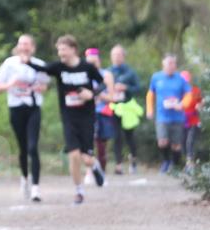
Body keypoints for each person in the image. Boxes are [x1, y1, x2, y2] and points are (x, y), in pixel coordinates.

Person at [23, 35, 105, 205]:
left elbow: (102, 83)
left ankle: (94, 165)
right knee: (74, 155)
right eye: (59, 50)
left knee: (86, 158)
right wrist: (26, 58)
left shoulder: (87, 67)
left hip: (87, 117)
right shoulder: (59, 68)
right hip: (68, 116)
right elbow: (41, 68)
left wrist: (92, 94)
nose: (61, 53)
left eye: (63, 49)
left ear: (73, 49)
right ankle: (79, 190)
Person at [0, 35, 49, 202]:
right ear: (18, 47)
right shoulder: (10, 63)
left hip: (33, 108)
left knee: (33, 147)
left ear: (32, 47)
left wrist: (39, 88)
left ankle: (36, 188)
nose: (23, 47)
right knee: (23, 148)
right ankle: (25, 178)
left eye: (27, 44)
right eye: (21, 44)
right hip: (16, 108)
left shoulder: (39, 64)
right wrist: (11, 84)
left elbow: (45, 85)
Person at [146, 53, 192, 173]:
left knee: (176, 145)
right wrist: (150, 110)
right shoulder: (156, 77)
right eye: (169, 63)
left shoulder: (180, 79)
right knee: (162, 142)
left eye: (174, 63)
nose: (172, 66)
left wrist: (182, 104)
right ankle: (166, 161)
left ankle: (175, 165)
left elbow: (188, 94)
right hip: (162, 116)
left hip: (177, 116)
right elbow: (150, 94)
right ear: (163, 64)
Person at [108, 44, 141, 174]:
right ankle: (118, 164)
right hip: (114, 107)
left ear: (123, 56)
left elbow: (138, 88)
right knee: (116, 137)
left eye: (118, 55)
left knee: (130, 137)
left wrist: (126, 88)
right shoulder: (108, 72)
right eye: (113, 55)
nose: (116, 57)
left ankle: (133, 162)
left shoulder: (130, 72)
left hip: (127, 107)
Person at [85, 48, 117, 178]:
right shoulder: (82, 74)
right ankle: (89, 171)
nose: (93, 65)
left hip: (103, 112)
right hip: (87, 113)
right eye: (90, 62)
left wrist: (97, 95)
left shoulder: (106, 75)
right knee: (88, 143)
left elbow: (112, 97)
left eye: (95, 62)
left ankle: (102, 171)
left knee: (101, 144)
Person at [180, 70, 203, 175]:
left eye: (186, 79)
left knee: (190, 141)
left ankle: (190, 163)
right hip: (181, 121)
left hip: (193, 121)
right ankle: (187, 162)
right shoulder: (178, 91)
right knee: (183, 142)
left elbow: (200, 103)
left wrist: (200, 106)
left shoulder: (195, 90)